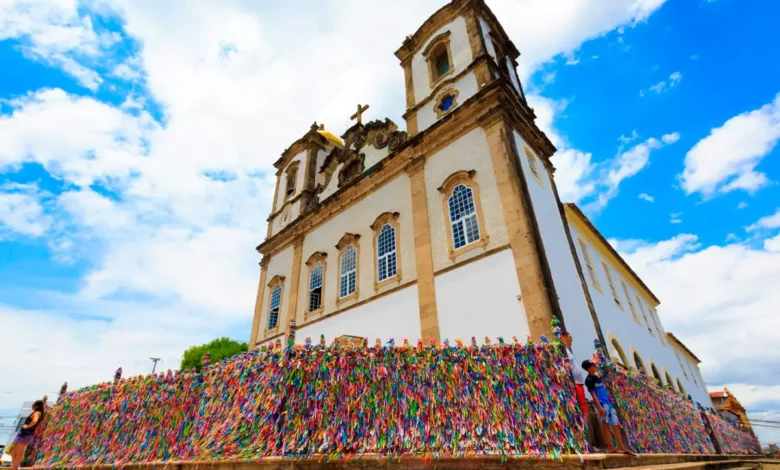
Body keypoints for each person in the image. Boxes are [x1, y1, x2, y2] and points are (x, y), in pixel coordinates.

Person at [581, 360, 634, 455]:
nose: (595, 366)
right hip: (601, 404)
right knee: (605, 425)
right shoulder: (589, 380)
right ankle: (610, 446)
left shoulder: (598, 377)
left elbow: (607, 370)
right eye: (593, 365)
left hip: (608, 403)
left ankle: (622, 447)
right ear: (589, 368)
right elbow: (593, 394)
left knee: (615, 424)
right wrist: (599, 407)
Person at [561, 332, 588, 420]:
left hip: (578, 383)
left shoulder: (568, 350)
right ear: (564, 337)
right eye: (570, 337)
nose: (572, 339)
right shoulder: (564, 350)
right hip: (575, 384)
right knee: (583, 408)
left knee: (584, 407)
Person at [10, 400, 44, 470]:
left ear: (36, 406)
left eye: (33, 404)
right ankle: (14, 467)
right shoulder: (37, 412)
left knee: (19, 452)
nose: (32, 405)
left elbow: (34, 421)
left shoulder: (37, 412)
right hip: (24, 433)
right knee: (13, 451)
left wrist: (27, 426)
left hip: (25, 434)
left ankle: (15, 468)